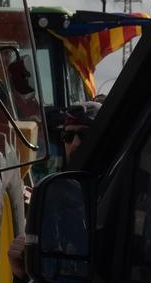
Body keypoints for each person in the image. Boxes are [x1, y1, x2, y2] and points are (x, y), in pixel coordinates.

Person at [9, 100, 101, 280]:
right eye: (68, 136)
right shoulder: (53, 197)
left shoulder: (119, 189)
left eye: (85, 134)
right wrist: (22, 271)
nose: (75, 143)